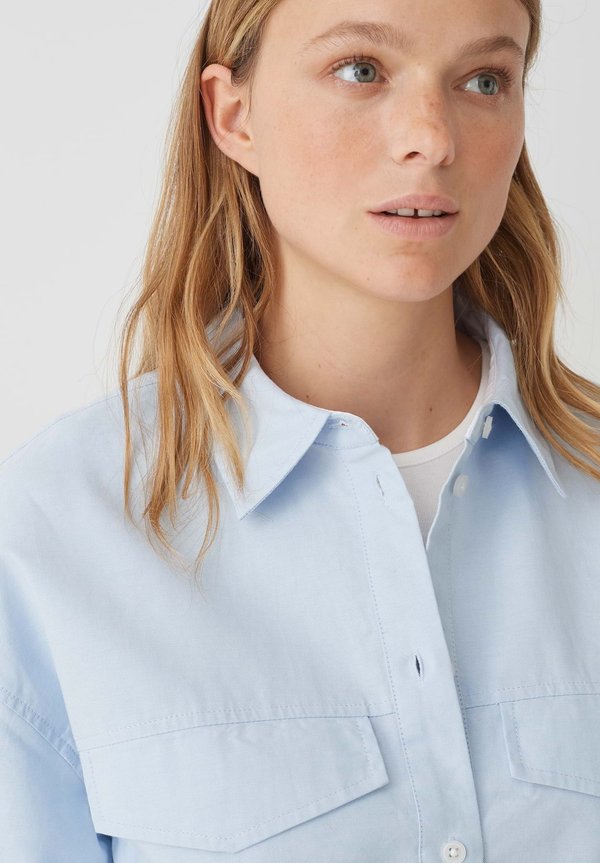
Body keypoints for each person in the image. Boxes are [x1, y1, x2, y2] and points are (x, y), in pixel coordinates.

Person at [2, 0, 600, 860]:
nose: (431, 139)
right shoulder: (55, 532)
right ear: (233, 115)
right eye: (360, 70)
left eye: (483, 80)